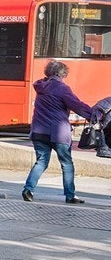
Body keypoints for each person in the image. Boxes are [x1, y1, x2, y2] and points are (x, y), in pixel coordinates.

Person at [23, 59, 91, 203]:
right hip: (58, 133)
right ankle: (70, 195)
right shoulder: (62, 88)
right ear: (61, 74)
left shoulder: (41, 87)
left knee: (41, 161)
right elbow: (77, 105)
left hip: (39, 132)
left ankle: (28, 189)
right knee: (66, 164)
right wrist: (94, 115)